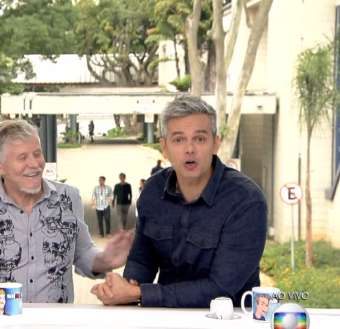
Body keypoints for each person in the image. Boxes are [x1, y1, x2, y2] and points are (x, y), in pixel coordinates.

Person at [0, 119, 134, 304]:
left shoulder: (69, 198)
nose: (34, 164)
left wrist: (105, 259)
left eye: (37, 153)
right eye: (22, 157)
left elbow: (82, 252)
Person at [91, 95, 267, 308]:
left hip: (229, 325)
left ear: (216, 144)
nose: (189, 149)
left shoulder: (246, 200)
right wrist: (121, 287)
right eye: (178, 139)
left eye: (200, 139)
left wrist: (137, 293)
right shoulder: (153, 191)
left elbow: (221, 289)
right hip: (165, 322)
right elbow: (142, 259)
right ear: (164, 148)